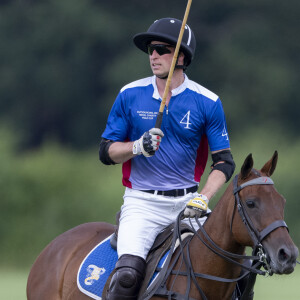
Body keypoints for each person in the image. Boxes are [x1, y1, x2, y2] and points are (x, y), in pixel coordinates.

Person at [99, 17, 235, 300]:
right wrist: (136, 146)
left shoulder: (207, 101)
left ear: (181, 57)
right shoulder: (130, 94)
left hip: (189, 204)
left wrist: (204, 196)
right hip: (142, 204)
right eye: (151, 49)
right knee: (126, 276)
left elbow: (224, 161)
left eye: (162, 49)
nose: (154, 56)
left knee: (232, 270)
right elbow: (106, 152)